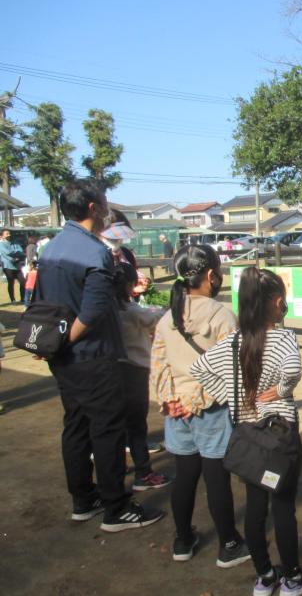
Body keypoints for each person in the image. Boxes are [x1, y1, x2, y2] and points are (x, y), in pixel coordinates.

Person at [36, 178, 164, 532]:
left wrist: (51, 344)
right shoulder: (94, 253)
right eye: (105, 201)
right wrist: (65, 340)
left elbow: (43, 306)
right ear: (94, 207)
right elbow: (91, 314)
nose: (108, 206)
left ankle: (83, 498)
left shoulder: (51, 249)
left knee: (75, 426)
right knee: (107, 430)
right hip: (92, 356)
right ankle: (116, 508)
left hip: (63, 362)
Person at [191, 267, 302, 596]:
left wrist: (229, 396)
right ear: (277, 302)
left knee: (254, 505)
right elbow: (293, 369)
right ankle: (293, 577)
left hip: (247, 435)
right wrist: (281, 389)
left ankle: (264, 575)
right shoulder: (283, 339)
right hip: (279, 436)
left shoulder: (233, 342)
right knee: (283, 507)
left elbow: (199, 368)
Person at [150, 244, 250, 567]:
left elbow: (159, 365)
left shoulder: (168, 318)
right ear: (211, 276)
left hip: (177, 411)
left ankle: (182, 539)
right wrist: (196, 401)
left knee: (184, 476)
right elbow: (231, 371)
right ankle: (229, 543)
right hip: (211, 410)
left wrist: (170, 400)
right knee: (216, 479)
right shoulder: (222, 316)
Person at [112, 262, 171, 491]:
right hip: (134, 370)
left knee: (119, 424)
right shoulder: (131, 310)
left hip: (114, 369)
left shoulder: (109, 308)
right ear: (128, 285)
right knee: (137, 426)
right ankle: (144, 474)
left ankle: (117, 468)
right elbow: (154, 317)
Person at [0, 228, 25, 303]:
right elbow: (7, 253)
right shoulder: (1, 244)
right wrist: (15, 254)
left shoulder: (15, 242)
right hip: (8, 266)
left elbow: (20, 251)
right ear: (2, 236)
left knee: (23, 282)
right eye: (7, 234)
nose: (9, 235)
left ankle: (22, 299)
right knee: (11, 283)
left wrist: (17, 255)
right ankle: (12, 299)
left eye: (9, 233)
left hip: (17, 265)